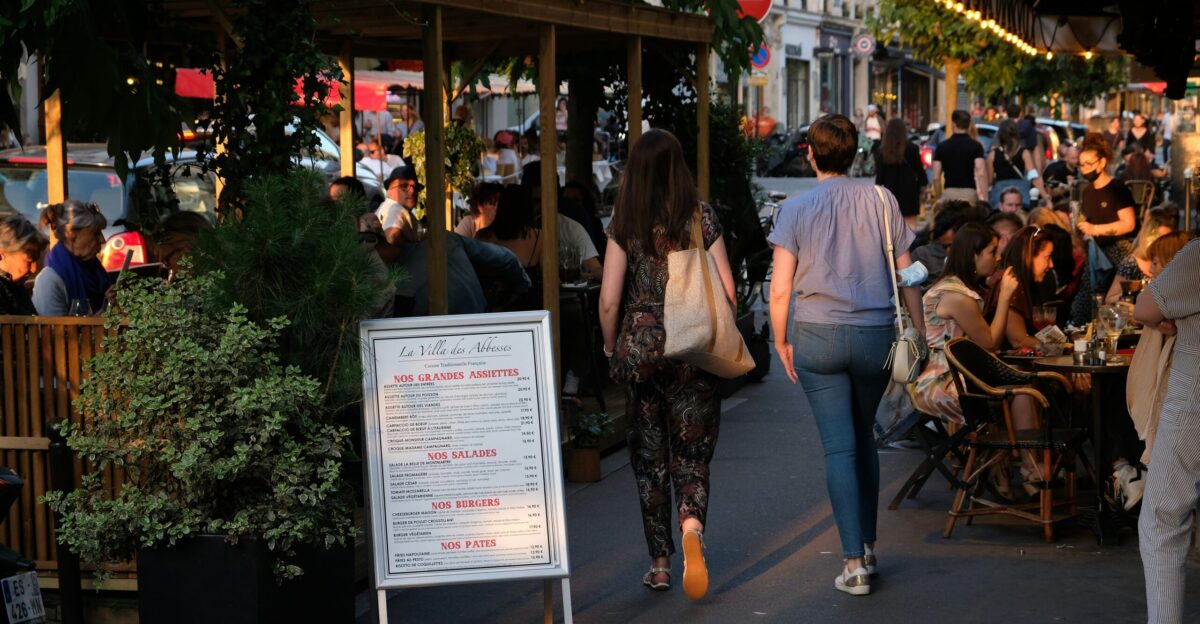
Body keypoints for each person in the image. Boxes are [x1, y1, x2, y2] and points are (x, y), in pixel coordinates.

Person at [768, 114, 925, 597]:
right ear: (856, 154)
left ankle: (852, 563)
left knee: (839, 447)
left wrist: (780, 340)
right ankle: (870, 546)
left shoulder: (794, 209)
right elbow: (910, 275)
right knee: (863, 438)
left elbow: (779, 289)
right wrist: (919, 332)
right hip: (875, 334)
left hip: (817, 334)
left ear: (810, 154)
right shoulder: (882, 201)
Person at [598, 129, 735, 601]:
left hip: (641, 357)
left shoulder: (626, 219)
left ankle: (659, 564)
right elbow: (729, 292)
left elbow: (610, 300)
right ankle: (691, 526)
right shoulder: (702, 216)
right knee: (692, 454)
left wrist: (610, 347)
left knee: (650, 459)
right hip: (692, 351)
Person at [1135, 237, 1200, 624]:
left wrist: (1164, 317)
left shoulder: (1196, 256)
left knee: (1162, 519)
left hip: (1194, 394)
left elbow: (1145, 307)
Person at [909, 223, 1019, 426]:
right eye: (992, 251)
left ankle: (1007, 454)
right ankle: (1021, 455)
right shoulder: (957, 296)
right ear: (972, 256)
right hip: (943, 382)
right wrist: (1004, 297)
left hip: (955, 376)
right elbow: (990, 342)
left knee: (1022, 385)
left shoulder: (953, 287)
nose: (998, 258)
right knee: (1022, 392)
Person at [1077, 132, 1137, 290]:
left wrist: (1095, 229)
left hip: (1118, 252)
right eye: (1081, 165)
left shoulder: (1117, 188)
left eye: (1088, 164)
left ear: (1101, 162)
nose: (1084, 170)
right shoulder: (1087, 191)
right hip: (1095, 254)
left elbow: (1129, 224)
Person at [32, 201, 112, 316]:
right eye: (95, 233)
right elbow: (55, 332)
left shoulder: (96, 271)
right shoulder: (49, 280)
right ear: (70, 233)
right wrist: (104, 312)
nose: (102, 240)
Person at [984, 226, 1054, 350]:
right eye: (1047, 257)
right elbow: (1018, 340)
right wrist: (1057, 348)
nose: (1051, 264)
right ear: (1028, 255)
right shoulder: (1010, 281)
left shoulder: (1015, 279)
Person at [1104, 212, 1175, 305]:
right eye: (1160, 239)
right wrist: (1135, 291)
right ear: (1149, 238)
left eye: (1169, 240)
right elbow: (1109, 300)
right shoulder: (1131, 263)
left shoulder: (1173, 264)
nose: (1165, 244)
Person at [874, 117, 927, 228]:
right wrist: (923, 188)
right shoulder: (912, 148)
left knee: (891, 225)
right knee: (910, 225)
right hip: (910, 192)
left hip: (889, 194)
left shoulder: (882, 151)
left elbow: (879, 178)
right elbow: (920, 172)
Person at [911, 200, 977, 288]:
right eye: (945, 246)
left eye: (953, 246)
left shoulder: (979, 257)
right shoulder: (924, 255)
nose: (949, 251)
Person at [931, 110, 987, 205]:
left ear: (953, 124)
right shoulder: (976, 146)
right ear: (969, 124)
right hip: (969, 193)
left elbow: (936, 177)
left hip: (949, 193)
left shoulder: (942, 147)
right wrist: (984, 197)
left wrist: (939, 197)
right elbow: (980, 171)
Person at [987, 119, 1046, 208]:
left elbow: (989, 181)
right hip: (1020, 193)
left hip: (1000, 195)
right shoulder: (1024, 153)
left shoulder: (993, 154)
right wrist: (1045, 197)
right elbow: (1033, 177)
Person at [0, 215, 49, 315]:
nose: (34, 269)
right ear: (2, 254)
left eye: (36, 260)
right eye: (29, 261)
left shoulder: (17, 287)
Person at [375, 166, 422, 246]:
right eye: (404, 186)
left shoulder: (388, 207)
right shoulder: (395, 208)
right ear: (389, 192)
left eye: (415, 187)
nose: (412, 191)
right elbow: (392, 237)